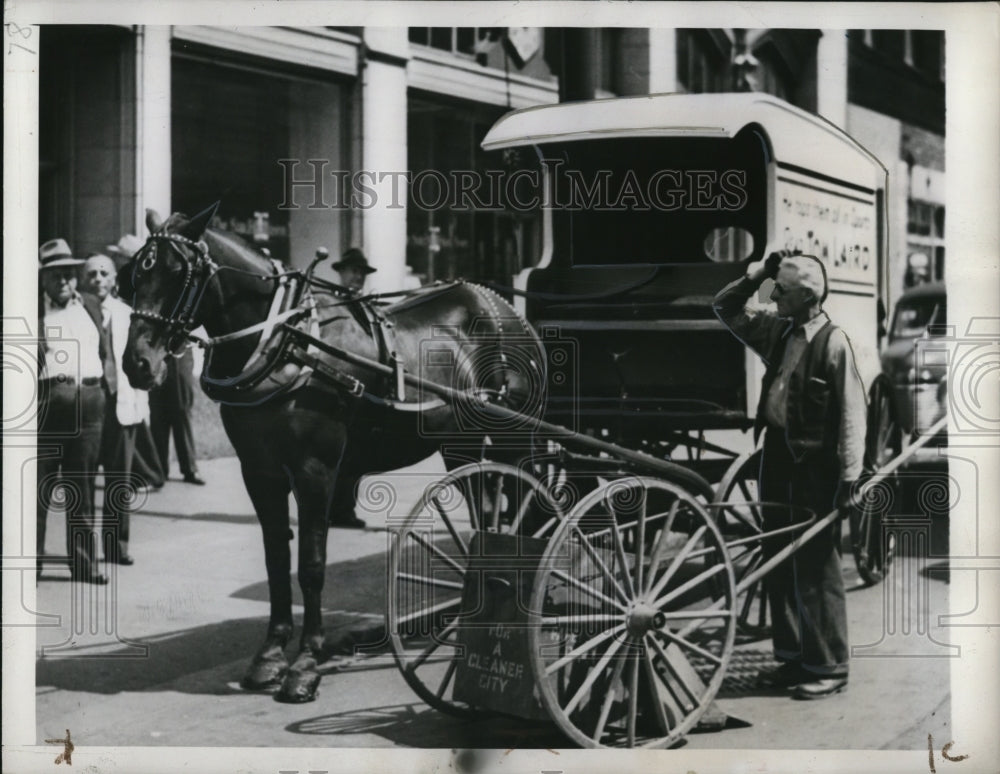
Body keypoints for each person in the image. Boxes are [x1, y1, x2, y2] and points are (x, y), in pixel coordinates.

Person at [713, 251, 867, 700]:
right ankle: (793, 658)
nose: (774, 296)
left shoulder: (835, 343)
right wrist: (760, 273)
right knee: (777, 557)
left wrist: (850, 478)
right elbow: (725, 307)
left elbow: (854, 414)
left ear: (808, 296)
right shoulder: (776, 330)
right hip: (776, 455)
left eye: (782, 289)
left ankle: (830, 666)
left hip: (816, 467)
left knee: (817, 566)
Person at [36, 239, 110, 584]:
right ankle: (30, 566)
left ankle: (83, 565)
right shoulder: (33, 311)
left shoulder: (92, 305)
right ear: (43, 279)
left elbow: (106, 353)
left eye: (68, 274)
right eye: (55, 275)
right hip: (50, 407)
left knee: (82, 489)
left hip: (91, 404)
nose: (64, 280)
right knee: (40, 490)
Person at [84, 253, 150, 566]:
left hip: (122, 405)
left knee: (119, 481)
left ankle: (116, 546)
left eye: (104, 273)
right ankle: (83, 552)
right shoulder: (77, 312)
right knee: (83, 482)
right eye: (92, 274)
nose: (98, 279)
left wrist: (141, 406)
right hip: (90, 407)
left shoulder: (128, 314)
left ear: (113, 280)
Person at [149, 346, 205, 485]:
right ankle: (159, 468)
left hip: (180, 356)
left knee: (182, 412)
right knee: (157, 414)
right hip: (157, 355)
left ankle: (190, 469)